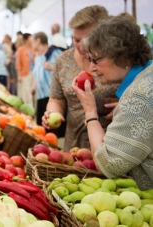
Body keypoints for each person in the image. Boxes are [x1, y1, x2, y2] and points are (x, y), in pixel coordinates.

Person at [71, 16, 153, 190]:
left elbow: (108, 165)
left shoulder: (138, 97)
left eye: (96, 59)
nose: (91, 68)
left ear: (122, 56)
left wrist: (90, 111)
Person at [42, 5, 119, 152]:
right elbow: (56, 98)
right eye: (76, 40)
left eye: (86, 40)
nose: (80, 46)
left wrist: (125, 107)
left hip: (111, 146)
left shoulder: (116, 61)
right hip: (74, 146)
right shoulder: (63, 60)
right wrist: (53, 113)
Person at [31, 32, 62, 126]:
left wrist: (51, 67)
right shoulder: (37, 57)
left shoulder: (54, 53)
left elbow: (65, 70)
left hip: (52, 96)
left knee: (52, 124)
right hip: (40, 95)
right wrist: (34, 86)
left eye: (32, 42)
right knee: (42, 124)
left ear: (38, 40)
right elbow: (37, 74)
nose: (31, 44)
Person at [16, 33, 35, 107]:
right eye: (31, 38)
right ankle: (28, 108)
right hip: (25, 73)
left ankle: (33, 109)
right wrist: (19, 75)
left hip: (33, 73)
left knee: (33, 92)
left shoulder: (33, 48)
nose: (32, 39)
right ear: (26, 39)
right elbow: (18, 63)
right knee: (26, 92)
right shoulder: (21, 49)